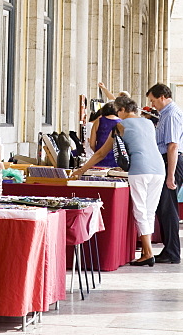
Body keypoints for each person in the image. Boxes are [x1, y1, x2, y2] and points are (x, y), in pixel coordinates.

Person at [71, 96, 164, 266]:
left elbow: (100, 153)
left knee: (140, 210)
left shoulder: (120, 125)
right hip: (159, 169)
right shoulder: (149, 123)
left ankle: (148, 253)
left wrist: (81, 170)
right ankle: (146, 250)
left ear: (121, 110)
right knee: (149, 211)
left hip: (140, 169)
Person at [146, 83, 183, 264]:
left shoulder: (171, 115)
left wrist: (170, 176)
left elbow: (172, 146)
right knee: (163, 209)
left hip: (170, 163)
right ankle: (168, 249)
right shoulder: (165, 114)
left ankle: (172, 252)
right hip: (165, 162)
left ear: (163, 96)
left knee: (168, 208)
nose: (152, 105)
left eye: (153, 101)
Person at [88, 101, 120, 167]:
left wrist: (98, 152)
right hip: (117, 158)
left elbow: (92, 144)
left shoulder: (98, 121)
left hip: (100, 158)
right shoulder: (122, 122)